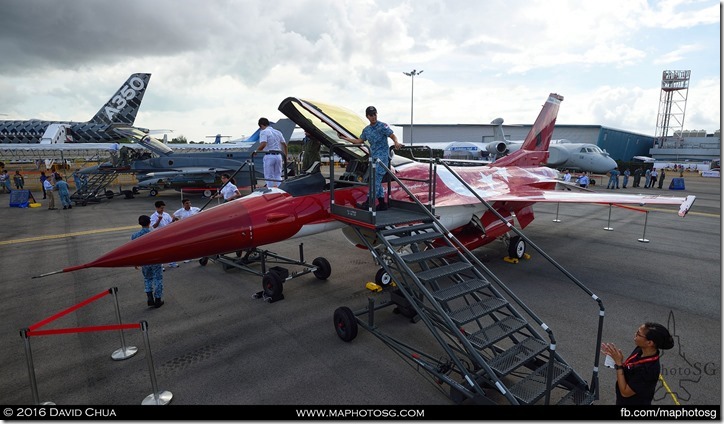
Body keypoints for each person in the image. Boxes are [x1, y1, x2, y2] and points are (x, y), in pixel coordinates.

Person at [338, 105, 401, 211]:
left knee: (375, 180)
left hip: (382, 159)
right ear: (367, 116)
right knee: (376, 180)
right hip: (373, 158)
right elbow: (359, 141)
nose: (373, 117)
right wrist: (345, 138)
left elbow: (392, 135)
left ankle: (368, 203)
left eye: (375, 114)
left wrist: (396, 142)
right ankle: (382, 204)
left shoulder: (382, 126)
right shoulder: (366, 130)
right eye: (371, 115)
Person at [600, 322, 674, 405]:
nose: (635, 334)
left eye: (638, 334)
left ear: (649, 343)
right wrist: (616, 358)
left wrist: (619, 364)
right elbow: (632, 368)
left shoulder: (648, 370)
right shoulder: (641, 349)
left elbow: (625, 392)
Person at [132, 215, 164, 308]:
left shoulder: (134, 236)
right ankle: (158, 299)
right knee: (158, 279)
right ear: (149, 223)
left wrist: (135, 261)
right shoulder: (154, 234)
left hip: (143, 260)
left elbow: (133, 250)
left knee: (147, 278)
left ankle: (149, 297)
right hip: (154, 259)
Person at [256, 118, 288, 188]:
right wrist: (285, 156)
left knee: (269, 176)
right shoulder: (278, 132)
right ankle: (281, 190)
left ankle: (270, 191)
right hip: (278, 155)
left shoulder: (264, 132)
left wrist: (256, 151)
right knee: (278, 175)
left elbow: (263, 144)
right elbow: (284, 145)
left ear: (261, 125)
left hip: (269, 156)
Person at [173, 198, 201, 263]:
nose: (189, 204)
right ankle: (188, 257)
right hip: (185, 229)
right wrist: (179, 221)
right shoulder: (180, 211)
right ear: (183, 205)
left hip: (195, 228)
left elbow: (204, 214)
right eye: (187, 203)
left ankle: (199, 255)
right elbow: (174, 215)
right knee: (188, 244)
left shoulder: (196, 209)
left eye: (189, 203)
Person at [150, 200, 177, 269]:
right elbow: (154, 226)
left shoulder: (166, 214)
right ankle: (160, 265)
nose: (162, 209)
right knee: (160, 250)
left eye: (163, 208)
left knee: (170, 248)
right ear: (157, 208)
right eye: (161, 208)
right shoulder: (153, 216)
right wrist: (159, 219)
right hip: (158, 235)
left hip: (167, 234)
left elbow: (170, 224)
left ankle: (172, 262)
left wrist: (173, 220)